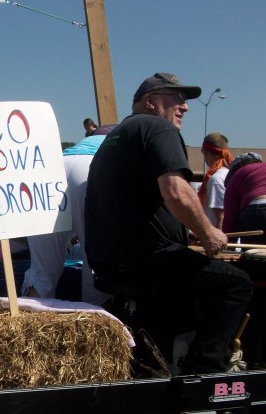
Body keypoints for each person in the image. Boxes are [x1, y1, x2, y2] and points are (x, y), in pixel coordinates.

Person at [84, 72, 253, 374]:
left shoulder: (115, 137)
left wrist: (186, 233)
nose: (184, 106)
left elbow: (138, 204)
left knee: (184, 292)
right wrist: (209, 233)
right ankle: (206, 372)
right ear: (150, 102)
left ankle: (163, 363)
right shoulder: (157, 127)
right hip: (149, 261)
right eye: (176, 98)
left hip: (113, 262)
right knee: (236, 283)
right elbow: (176, 191)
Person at [22, 124, 116, 305]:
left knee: (41, 271)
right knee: (96, 263)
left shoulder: (80, 143)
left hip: (49, 171)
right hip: (91, 167)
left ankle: (32, 324)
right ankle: (94, 324)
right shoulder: (121, 139)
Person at [223, 152, 266, 245]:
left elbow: (230, 219)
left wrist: (228, 248)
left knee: (252, 256)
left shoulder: (237, 174)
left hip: (257, 213)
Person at [198, 132, 233, 229]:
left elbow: (221, 218)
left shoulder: (216, 179)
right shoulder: (228, 174)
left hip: (218, 237)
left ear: (205, 152)